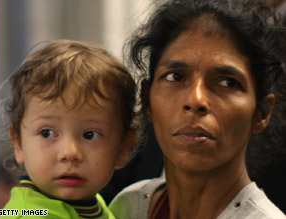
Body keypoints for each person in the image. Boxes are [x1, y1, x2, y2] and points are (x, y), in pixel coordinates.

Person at [109, 0, 286, 218]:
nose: (195, 99)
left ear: (261, 113)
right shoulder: (129, 205)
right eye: (175, 76)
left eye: (227, 82)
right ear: (146, 101)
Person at [0, 39, 137, 219]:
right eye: (47, 133)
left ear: (123, 147)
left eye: (90, 135)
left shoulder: (95, 205)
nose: (70, 152)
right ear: (19, 144)